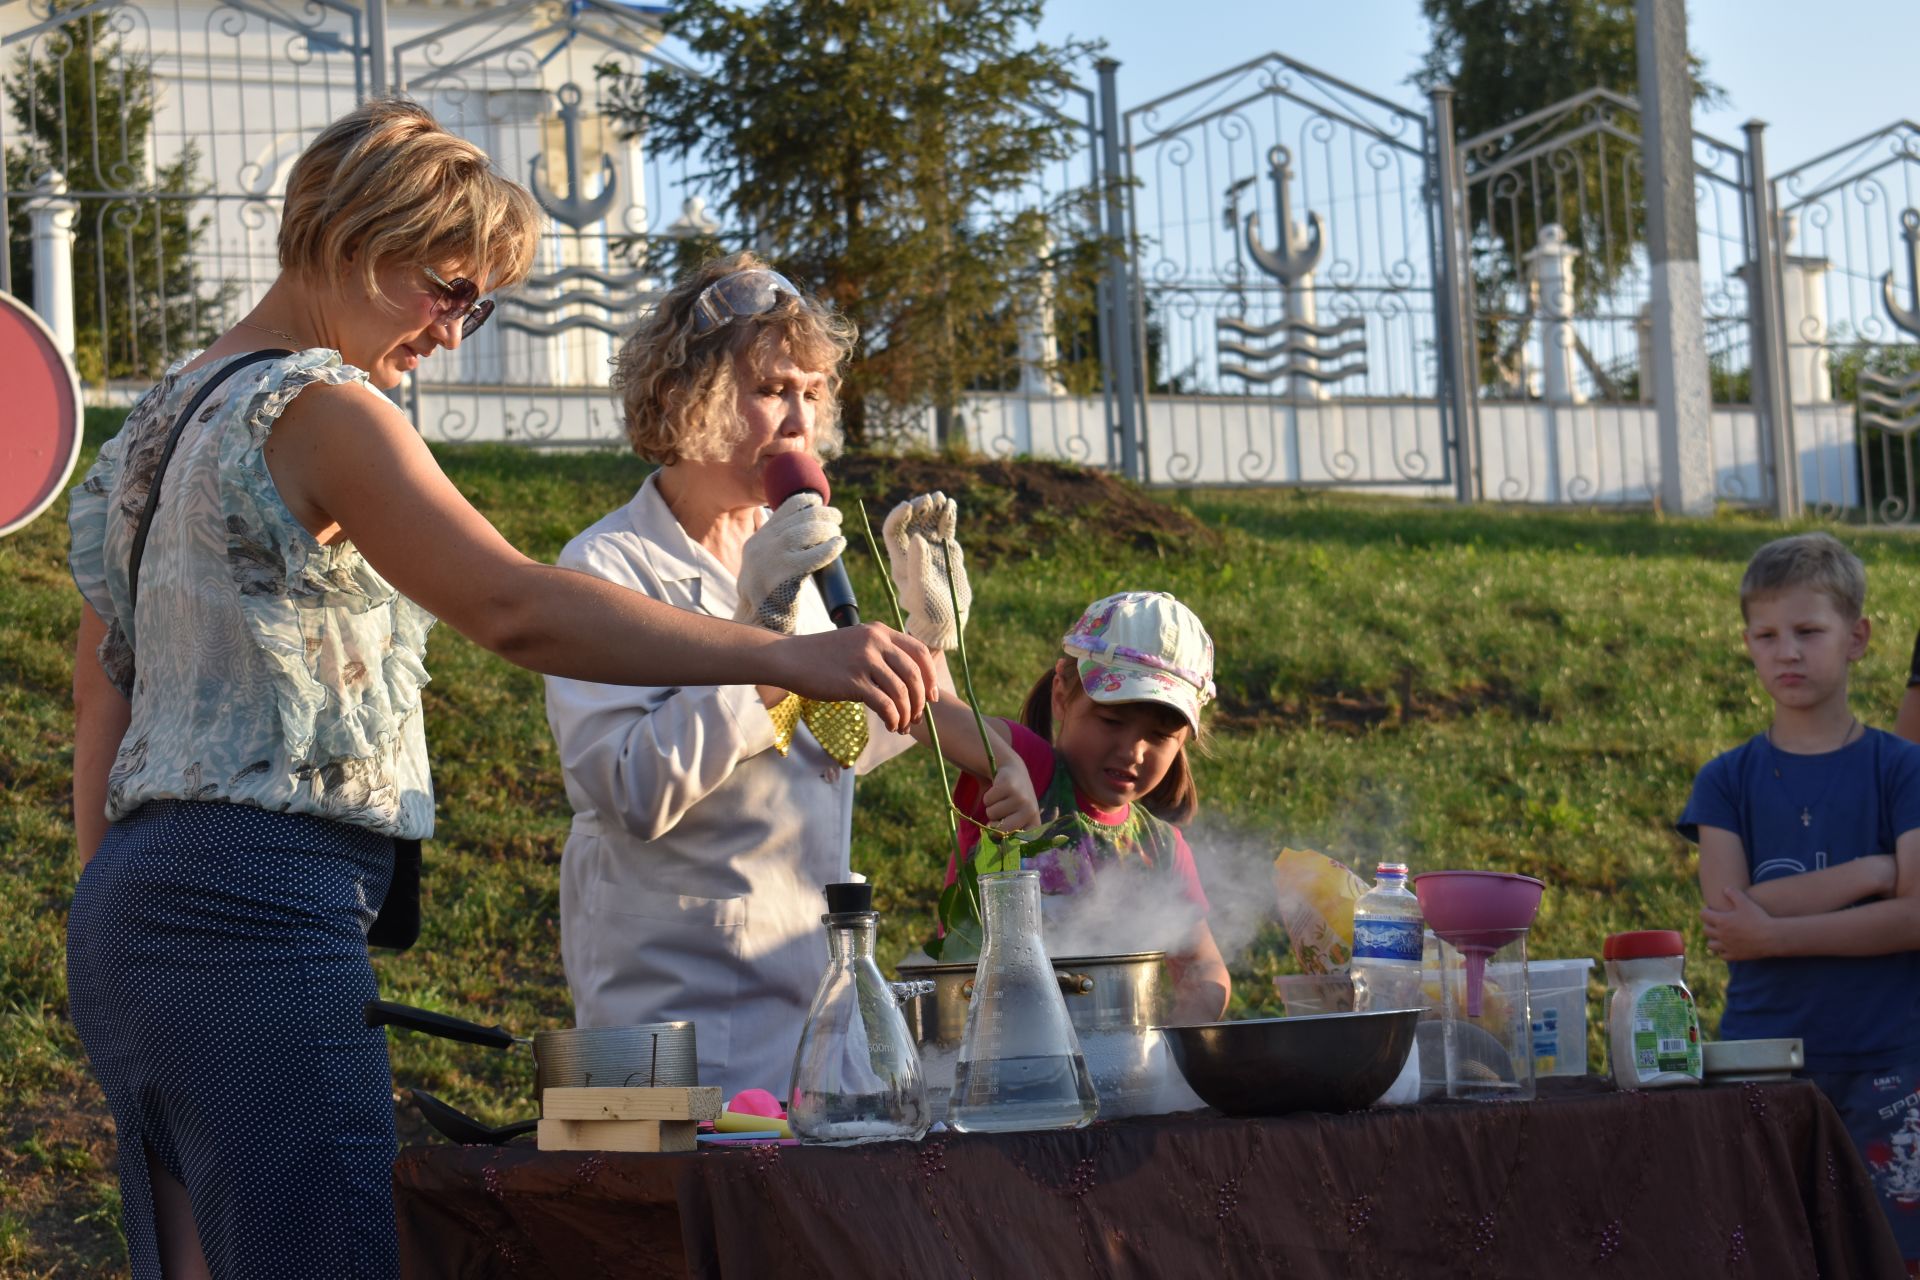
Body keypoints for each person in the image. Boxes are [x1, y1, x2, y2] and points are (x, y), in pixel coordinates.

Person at [65, 102, 935, 1280]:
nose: (455, 328)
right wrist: (774, 650)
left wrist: (99, 898)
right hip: (263, 901)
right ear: (356, 235)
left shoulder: (156, 421)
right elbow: (514, 605)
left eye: (480, 303)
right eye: (448, 286)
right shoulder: (325, 409)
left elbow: (100, 682)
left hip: (134, 903)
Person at [543, 253, 1038, 1098]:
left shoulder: (799, 560)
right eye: (773, 387)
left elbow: (833, 740)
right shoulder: (609, 566)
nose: (799, 416)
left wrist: (943, 670)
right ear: (681, 395)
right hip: (674, 1005)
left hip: (811, 988)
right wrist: (761, 640)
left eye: (814, 392)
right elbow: (626, 787)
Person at [1679, 532, 1920, 1269]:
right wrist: (1871, 873)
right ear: (1747, 645)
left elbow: (1916, 920)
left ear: (1859, 637)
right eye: (1767, 635)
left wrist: (1774, 927)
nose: (1787, 652)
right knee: (1773, 1257)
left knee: (1894, 1259)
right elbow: (1729, 917)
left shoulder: (1902, 769)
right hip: (1761, 1058)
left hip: (1892, 1059)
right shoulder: (1724, 780)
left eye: (1809, 632)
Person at [927, 589, 1233, 1024]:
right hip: (986, 1053)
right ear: (1061, 695)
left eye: (1160, 736)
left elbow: (1203, 968)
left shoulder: (1161, 848)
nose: (1132, 750)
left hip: (1114, 1067)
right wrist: (1005, 763)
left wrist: (1184, 1029)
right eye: (1111, 720)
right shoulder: (1033, 771)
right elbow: (924, 710)